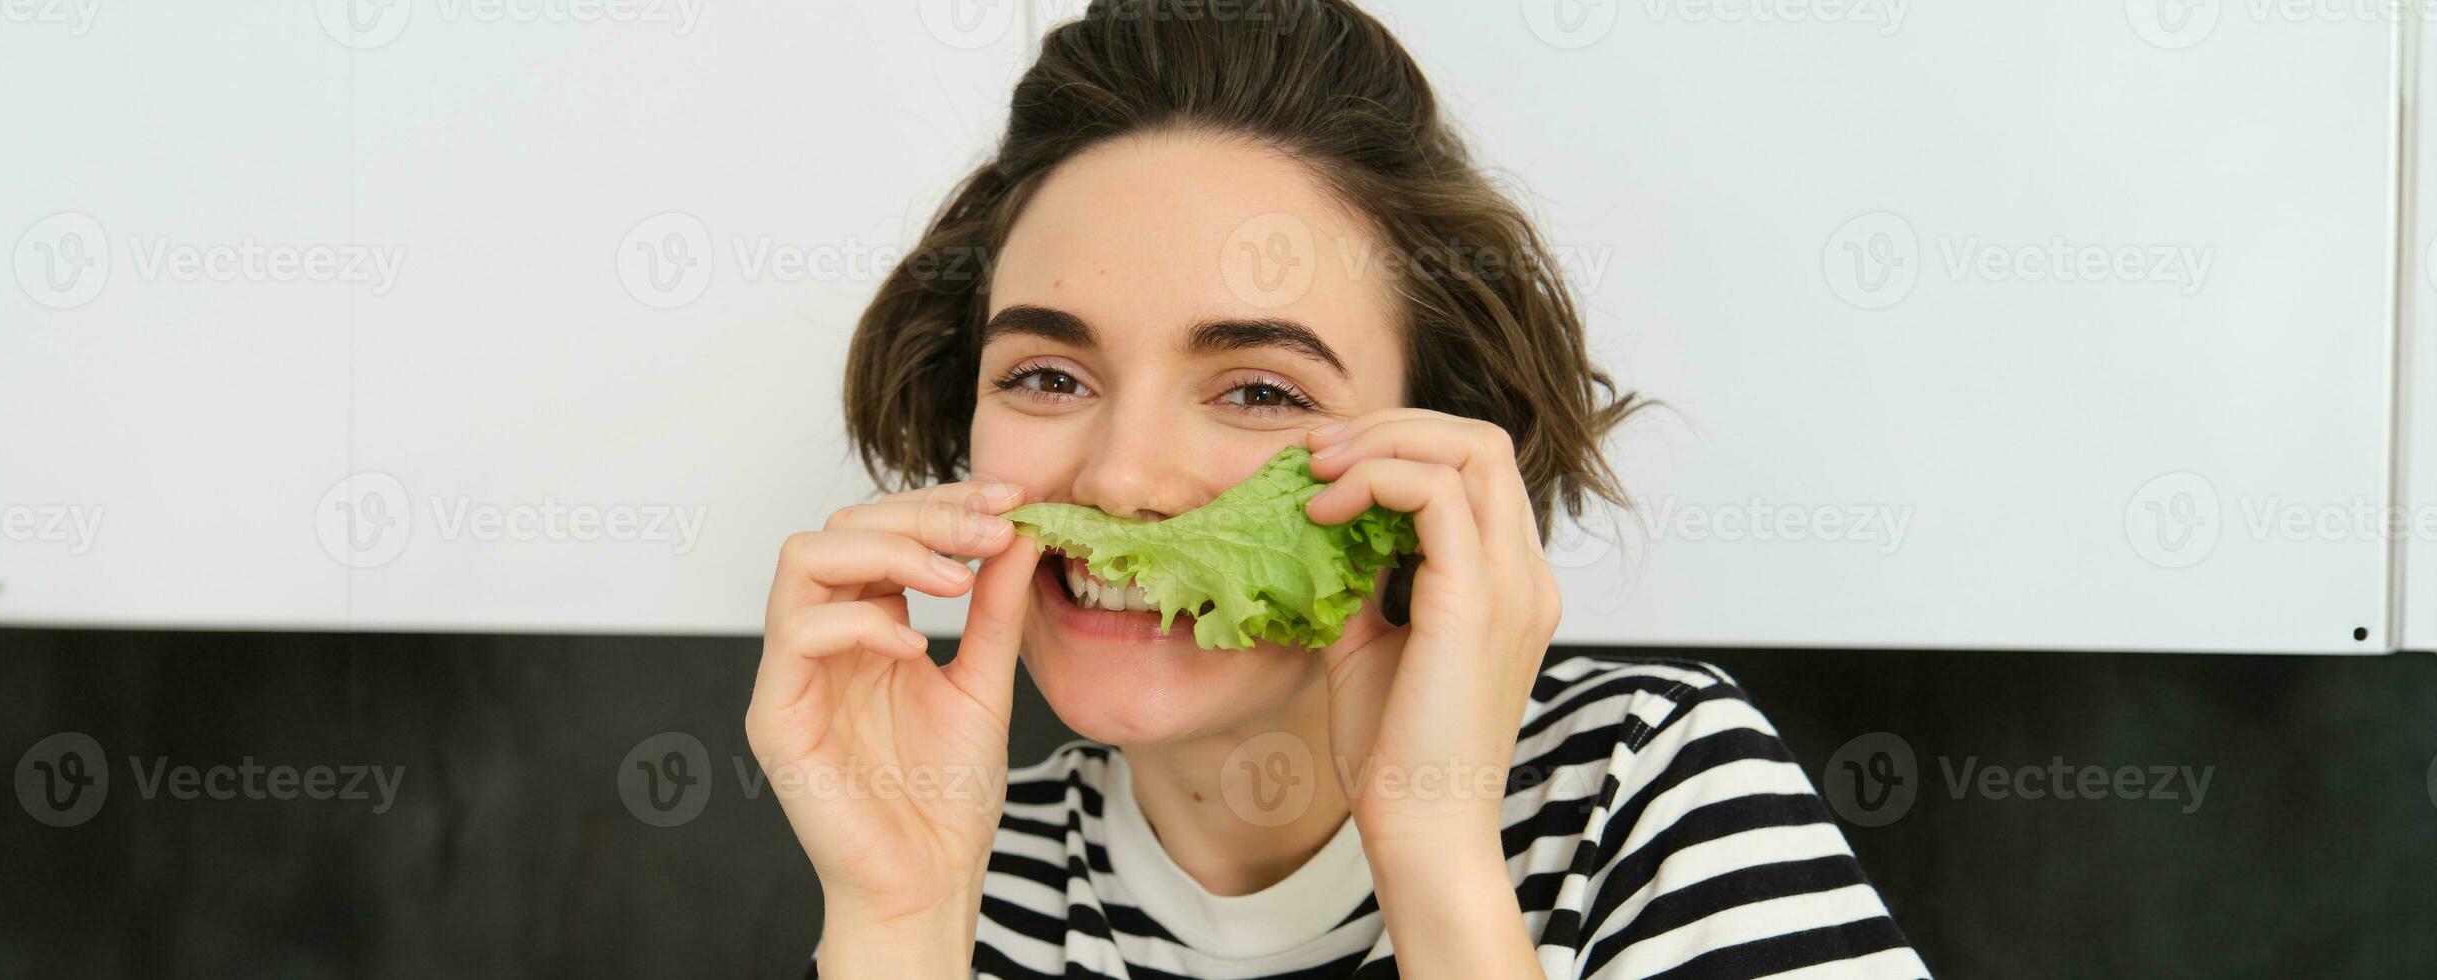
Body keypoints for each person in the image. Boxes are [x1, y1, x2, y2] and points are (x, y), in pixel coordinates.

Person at [748, 1, 1928, 976]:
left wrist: (1433, 847)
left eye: (1260, 391)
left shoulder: (1643, 788)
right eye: (1047, 374)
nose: (1116, 475)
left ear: (1435, 456)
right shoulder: (952, 858)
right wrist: (899, 922)